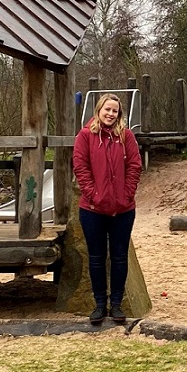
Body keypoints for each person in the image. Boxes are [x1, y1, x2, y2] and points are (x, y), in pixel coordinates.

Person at [73, 92, 143, 325]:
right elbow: (80, 167)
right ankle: (99, 304)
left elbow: (135, 165)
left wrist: (126, 194)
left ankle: (117, 304)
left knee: (119, 257)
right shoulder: (85, 136)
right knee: (96, 257)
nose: (111, 114)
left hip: (122, 209)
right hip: (93, 208)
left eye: (115, 111)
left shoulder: (126, 137)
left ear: (119, 114)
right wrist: (93, 194)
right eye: (107, 109)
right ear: (99, 110)